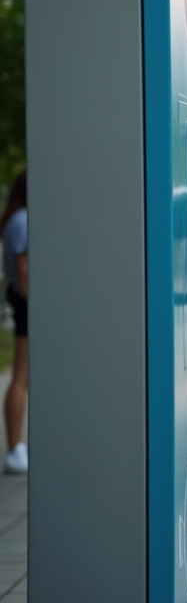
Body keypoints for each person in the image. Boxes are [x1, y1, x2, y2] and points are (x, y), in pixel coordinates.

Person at [0, 170, 27, 474]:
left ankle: (17, 446)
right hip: (25, 304)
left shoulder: (15, 218)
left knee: (24, 376)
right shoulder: (22, 221)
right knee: (21, 376)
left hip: (20, 301)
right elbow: (23, 270)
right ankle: (15, 447)